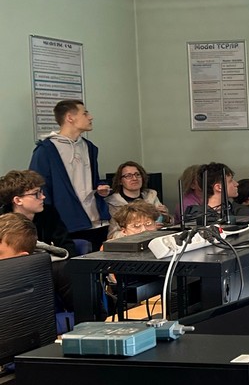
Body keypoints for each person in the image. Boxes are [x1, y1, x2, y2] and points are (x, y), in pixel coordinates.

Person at [28, 99, 110, 248]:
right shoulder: (46, 150)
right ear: (70, 118)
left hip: (96, 222)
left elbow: (94, 180)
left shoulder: (89, 147)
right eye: (85, 113)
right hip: (67, 226)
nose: (90, 117)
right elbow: (40, 190)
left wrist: (101, 188)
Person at [0, 169, 78, 307]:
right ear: (18, 200)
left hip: (47, 268)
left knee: (64, 270)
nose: (43, 197)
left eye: (41, 191)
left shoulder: (49, 213)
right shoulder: (3, 220)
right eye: (36, 194)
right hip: (12, 273)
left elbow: (66, 245)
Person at [105, 161, 169, 236]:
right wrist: (133, 231)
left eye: (137, 174)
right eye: (128, 176)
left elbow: (164, 224)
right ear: (120, 181)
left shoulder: (151, 195)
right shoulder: (112, 203)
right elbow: (112, 235)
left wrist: (166, 217)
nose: (134, 178)